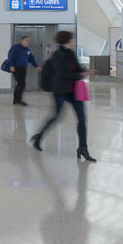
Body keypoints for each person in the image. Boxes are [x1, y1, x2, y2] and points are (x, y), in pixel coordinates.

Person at [31, 31, 96, 162]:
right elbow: (62, 74)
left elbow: (76, 69)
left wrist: (84, 71)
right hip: (60, 90)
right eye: (71, 39)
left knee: (82, 119)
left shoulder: (71, 53)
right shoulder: (57, 55)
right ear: (66, 41)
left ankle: (83, 148)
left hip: (74, 91)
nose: (73, 41)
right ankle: (39, 137)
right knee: (56, 116)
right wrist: (79, 75)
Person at [5, 35, 41, 106]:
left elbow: (31, 58)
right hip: (16, 68)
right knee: (21, 83)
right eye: (27, 40)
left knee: (21, 84)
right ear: (22, 41)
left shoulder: (27, 50)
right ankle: (17, 100)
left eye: (29, 41)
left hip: (23, 68)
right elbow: (10, 57)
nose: (28, 42)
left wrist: (36, 66)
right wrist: (11, 65)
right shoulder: (15, 47)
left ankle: (16, 100)